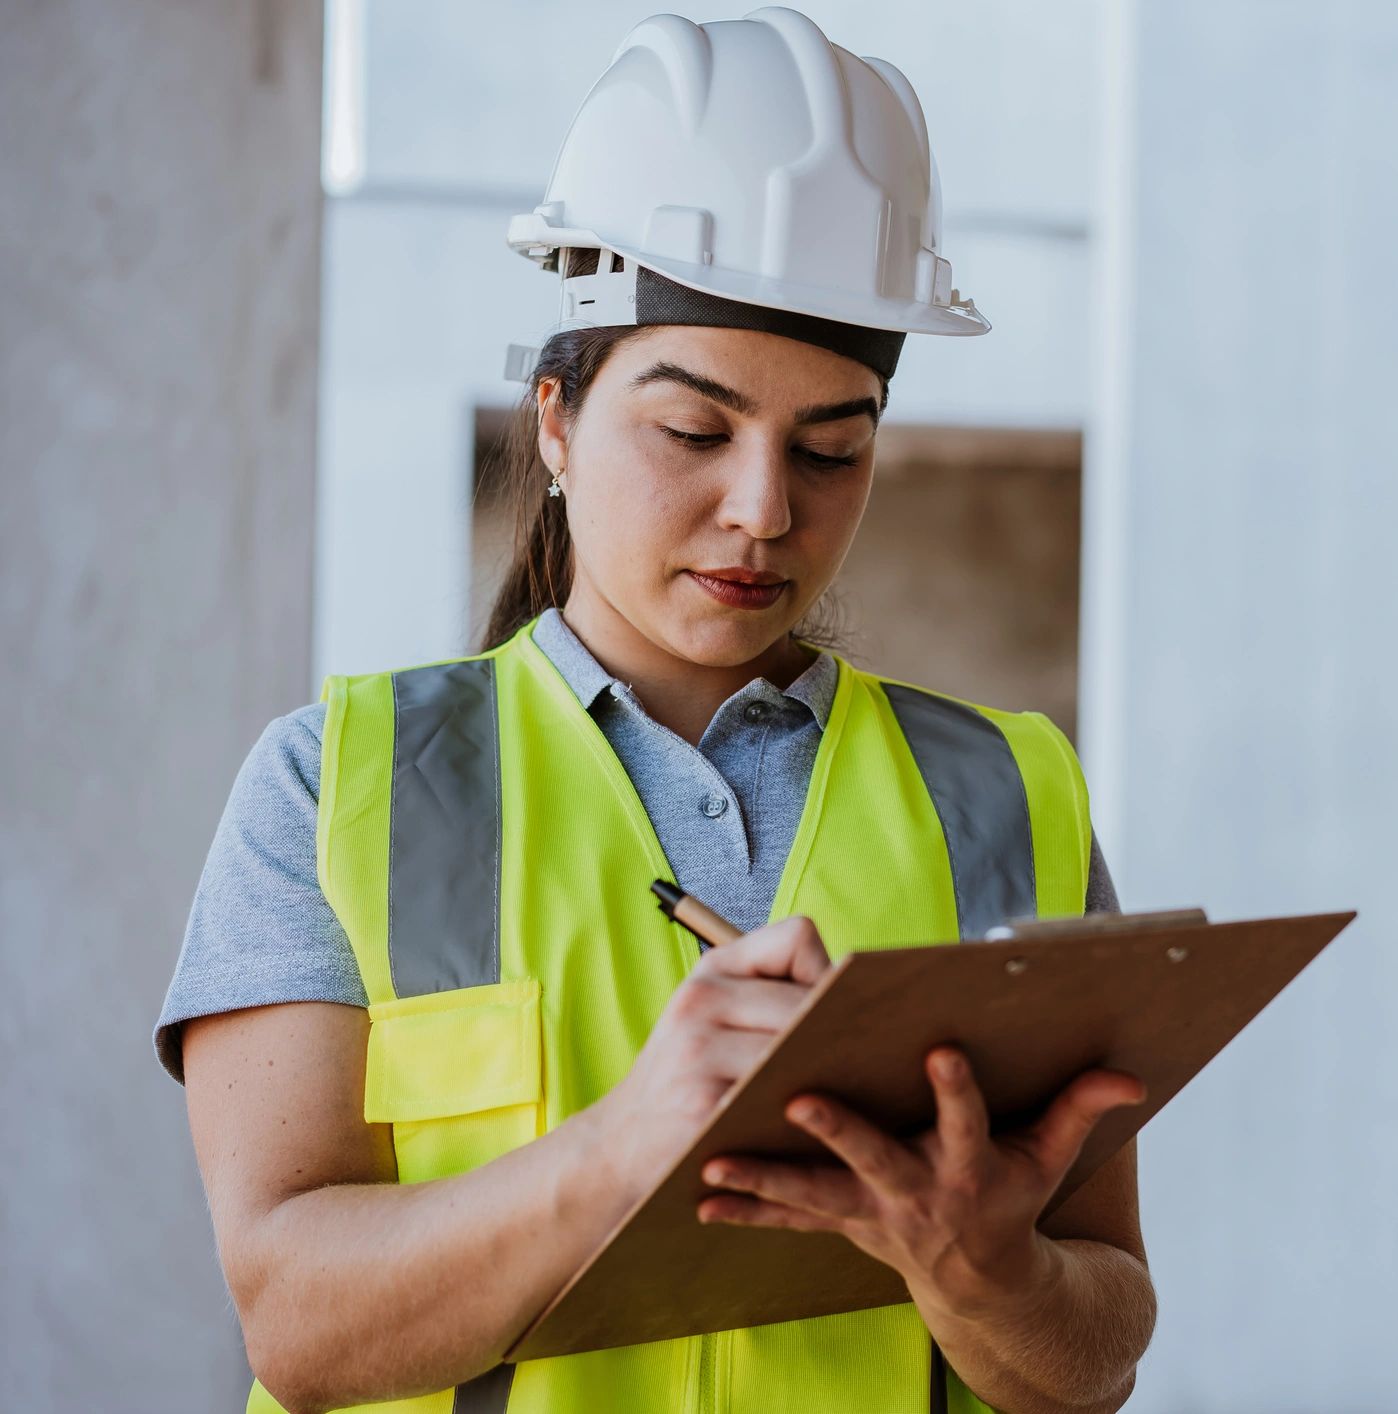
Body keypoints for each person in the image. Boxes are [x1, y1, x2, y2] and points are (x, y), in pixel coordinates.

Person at [156, 12, 1155, 1412]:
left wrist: (990, 1273)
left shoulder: (1011, 795)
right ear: (556, 422)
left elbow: (1095, 1349)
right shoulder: (336, 790)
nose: (763, 508)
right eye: (693, 432)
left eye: (832, 449)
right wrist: (625, 1142)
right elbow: (299, 1327)